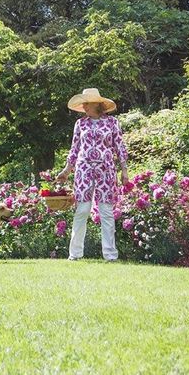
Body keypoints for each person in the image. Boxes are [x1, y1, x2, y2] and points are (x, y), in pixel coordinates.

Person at [56, 87, 129, 261]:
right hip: (83, 170)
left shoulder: (112, 123)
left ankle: (110, 255)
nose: (84, 107)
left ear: (97, 104)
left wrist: (124, 171)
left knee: (106, 212)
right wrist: (67, 170)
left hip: (106, 170)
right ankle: (75, 254)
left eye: (87, 103)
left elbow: (120, 147)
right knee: (82, 210)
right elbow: (74, 149)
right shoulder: (80, 124)